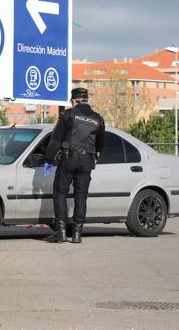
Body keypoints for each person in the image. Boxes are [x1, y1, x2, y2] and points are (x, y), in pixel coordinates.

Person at [44, 87, 105, 244]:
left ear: (74, 101)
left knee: (60, 192)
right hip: (87, 161)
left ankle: (61, 232)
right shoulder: (98, 119)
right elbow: (100, 145)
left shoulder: (68, 115)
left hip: (69, 158)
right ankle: (77, 233)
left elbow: (56, 140)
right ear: (86, 100)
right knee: (81, 196)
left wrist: (49, 159)